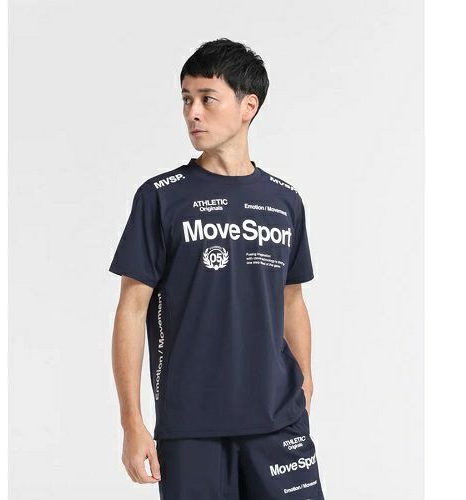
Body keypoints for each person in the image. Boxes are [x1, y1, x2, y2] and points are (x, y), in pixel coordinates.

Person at [109, 38, 325, 499]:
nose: (193, 113)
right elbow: (131, 308)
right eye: (186, 99)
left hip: (278, 421)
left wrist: (305, 384)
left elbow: (292, 300)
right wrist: (132, 422)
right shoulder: (161, 197)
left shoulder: (284, 201)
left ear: (249, 106)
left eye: (208, 99)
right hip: (192, 427)